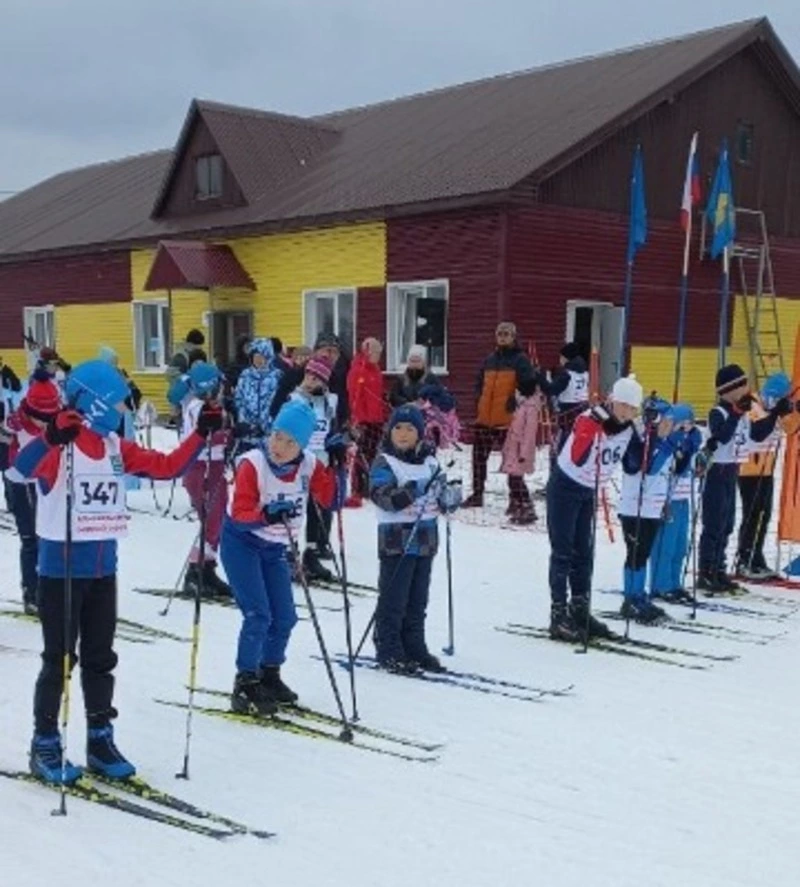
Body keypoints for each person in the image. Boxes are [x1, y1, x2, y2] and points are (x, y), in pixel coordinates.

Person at [15, 358, 222, 784]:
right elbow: (18, 470)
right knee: (59, 659)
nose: (127, 410)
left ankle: (99, 737)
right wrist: (50, 438)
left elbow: (167, 467)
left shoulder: (113, 446)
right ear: (99, 402)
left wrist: (201, 434)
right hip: (60, 571)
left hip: (102, 568)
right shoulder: (61, 445)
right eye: (121, 403)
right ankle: (45, 743)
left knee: (100, 658)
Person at [221, 400, 338, 714]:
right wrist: (266, 514)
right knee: (259, 615)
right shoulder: (253, 463)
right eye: (277, 435)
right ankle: (245, 681)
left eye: (290, 441)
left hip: (275, 549)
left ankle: (269, 673)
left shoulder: (309, 465)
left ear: (301, 445)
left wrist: (337, 467)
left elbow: (332, 500)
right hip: (241, 544)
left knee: (285, 617)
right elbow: (240, 512)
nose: (280, 446)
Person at [546, 374, 643, 642]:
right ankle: (558, 615)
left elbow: (634, 466)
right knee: (563, 552)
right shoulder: (590, 418)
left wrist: (648, 437)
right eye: (626, 407)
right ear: (614, 402)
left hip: (588, 490)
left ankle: (580, 609)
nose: (629, 413)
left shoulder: (629, 427)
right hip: (565, 486)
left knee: (584, 554)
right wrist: (593, 430)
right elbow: (577, 457)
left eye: (634, 409)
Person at [369, 405, 462, 673]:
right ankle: (389, 648)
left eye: (410, 429)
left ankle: (414, 645)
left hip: (425, 539)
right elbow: (384, 498)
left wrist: (449, 497)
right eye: (398, 427)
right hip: (397, 540)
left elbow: (442, 497)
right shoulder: (385, 461)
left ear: (420, 434)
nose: (403, 434)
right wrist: (414, 489)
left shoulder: (431, 462)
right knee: (394, 598)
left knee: (417, 599)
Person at [698, 364, 790, 593]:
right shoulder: (718, 412)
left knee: (727, 524)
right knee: (714, 523)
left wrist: (776, 412)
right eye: (742, 385)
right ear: (729, 390)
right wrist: (737, 413)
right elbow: (722, 435)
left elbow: (756, 434)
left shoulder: (742, 413)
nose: (747, 389)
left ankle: (719, 570)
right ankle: (706, 572)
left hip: (732, 470)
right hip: (717, 472)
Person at [2, 375, 62, 614]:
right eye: (42, 418)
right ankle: (31, 592)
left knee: (50, 537)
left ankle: (49, 587)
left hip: (47, 483)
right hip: (22, 482)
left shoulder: (56, 420)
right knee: (30, 539)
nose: (45, 423)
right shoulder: (15, 421)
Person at [616, 398, 676, 624]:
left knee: (644, 553)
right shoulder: (640, 440)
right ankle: (631, 597)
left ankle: (639, 595)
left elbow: (667, 474)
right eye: (667, 421)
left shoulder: (663, 441)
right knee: (636, 553)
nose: (670, 426)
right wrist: (657, 442)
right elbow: (646, 467)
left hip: (653, 508)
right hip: (635, 508)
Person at [464, 322, 534, 508]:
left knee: (512, 461)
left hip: (507, 420)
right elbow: (479, 383)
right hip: (485, 419)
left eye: (506, 334)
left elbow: (530, 385)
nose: (502, 336)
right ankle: (477, 494)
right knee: (478, 459)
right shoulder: (489, 360)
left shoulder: (520, 359)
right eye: (500, 333)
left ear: (513, 337)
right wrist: (479, 400)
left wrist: (516, 398)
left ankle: (518, 498)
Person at [289, 356, 347, 582]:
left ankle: (310, 554)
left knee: (318, 508)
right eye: (307, 375)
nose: (310, 381)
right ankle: (289, 554)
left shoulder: (331, 401)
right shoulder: (294, 398)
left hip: (321, 460)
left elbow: (333, 427)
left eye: (316, 378)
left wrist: (337, 443)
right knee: (296, 507)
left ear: (324, 381)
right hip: (298, 459)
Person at [735, 373, 797, 580]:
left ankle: (757, 556)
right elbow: (757, 432)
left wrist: (795, 412)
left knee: (764, 515)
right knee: (752, 515)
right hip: (748, 469)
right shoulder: (751, 404)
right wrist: (776, 413)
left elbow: (789, 429)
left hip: (766, 469)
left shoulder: (773, 408)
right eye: (776, 398)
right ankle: (745, 558)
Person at [180, 362, 232, 597]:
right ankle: (194, 571)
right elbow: (206, 436)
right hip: (202, 467)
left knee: (216, 520)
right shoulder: (197, 407)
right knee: (213, 521)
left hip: (214, 465)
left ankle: (207, 569)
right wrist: (231, 432)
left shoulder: (207, 405)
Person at [648, 404, 702, 603]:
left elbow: (693, 465)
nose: (687, 428)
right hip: (668, 499)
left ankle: (674, 582)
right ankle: (660, 584)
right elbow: (674, 468)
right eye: (683, 424)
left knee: (681, 544)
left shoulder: (691, 440)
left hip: (684, 499)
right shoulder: (668, 443)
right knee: (666, 544)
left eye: (690, 424)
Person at [271, 333, 349, 428]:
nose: (331, 355)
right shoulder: (295, 375)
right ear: (315, 352)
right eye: (328, 350)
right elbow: (275, 409)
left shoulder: (337, 379)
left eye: (336, 352)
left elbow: (341, 412)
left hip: (323, 436)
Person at [346, 337, 387, 503]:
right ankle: (358, 487)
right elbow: (354, 396)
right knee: (361, 455)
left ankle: (370, 484)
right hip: (363, 419)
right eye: (376, 352)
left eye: (380, 352)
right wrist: (356, 418)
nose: (378, 355)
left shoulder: (376, 370)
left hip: (376, 418)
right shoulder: (358, 369)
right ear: (367, 351)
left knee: (373, 453)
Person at [499, 376, 543, 525]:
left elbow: (529, 433)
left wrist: (524, 453)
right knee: (512, 479)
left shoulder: (530, 409)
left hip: (520, 451)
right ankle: (517, 504)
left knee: (516, 480)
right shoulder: (521, 404)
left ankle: (527, 506)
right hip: (513, 448)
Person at [233, 338, 283, 449]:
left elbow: (280, 402)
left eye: (262, 357)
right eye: (256, 357)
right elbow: (239, 398)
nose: (259, 360)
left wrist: (269, 422)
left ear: (269, 357)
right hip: (248, 431)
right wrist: (243, 420)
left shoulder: (277, 376)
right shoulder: (245, 375)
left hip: (270, 431)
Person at [541, 343, 590, 453]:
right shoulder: (584, 372)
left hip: (568, 410)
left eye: (561, 357)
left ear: (566, 357)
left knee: (564, 441)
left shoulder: (566, 374)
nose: (560, 360)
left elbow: (551, 390)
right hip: (583, 408)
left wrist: (540, 377)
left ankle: (561, 462)